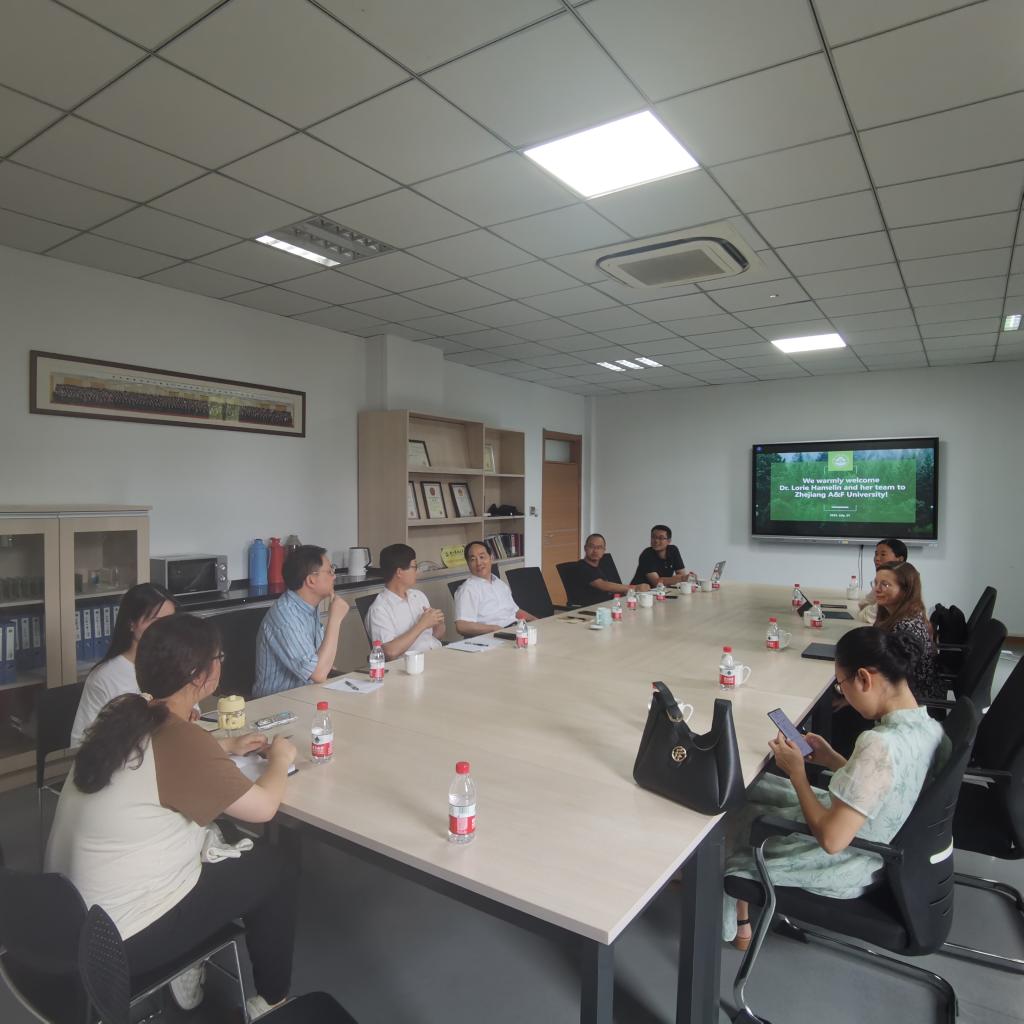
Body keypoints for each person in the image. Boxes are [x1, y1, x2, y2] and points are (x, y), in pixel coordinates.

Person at [46, 615, 297, 1020]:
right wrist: (281, 759)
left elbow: (170, 757)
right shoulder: (182, 740)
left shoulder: (123, 710)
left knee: (220, 832)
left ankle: (191, 960)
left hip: (68, 917)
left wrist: (223, 746)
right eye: (218, 657)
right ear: (201, 675)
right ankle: (271, 1001)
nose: (221, 663)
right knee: (275, 867)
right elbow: (264, 807)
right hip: (118, 944)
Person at [724, 627, 946, 951]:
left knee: (739, 814)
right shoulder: (928, 728)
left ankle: (732, 912)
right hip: (884, 846)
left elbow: (831, 840)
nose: (843, 695)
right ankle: (737, 910)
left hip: (847, 863)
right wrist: (832, 759)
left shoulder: (879, 744)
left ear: (864, 679)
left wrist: (798, 773)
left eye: (842, 685)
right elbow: (886, 787)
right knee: (761, 788)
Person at [71, 583, 177, 746]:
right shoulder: (105, 676)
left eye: (170, 621)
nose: (165, 629)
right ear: (131, 623)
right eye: (156, 621)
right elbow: (80, 743)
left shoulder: (175, 664)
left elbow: (192, 712)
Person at [253, 545, 349, 697]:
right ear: (311, 580)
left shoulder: (309, 607)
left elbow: (320, 665)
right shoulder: (285, 616)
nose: (334, 577)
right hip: (277, 702)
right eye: (330, 571)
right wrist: (335, 619)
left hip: (307, 694)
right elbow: (318, 674)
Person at [873, 561, 940, 700]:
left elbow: (895, 677)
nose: (877, 589)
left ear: (906, 591)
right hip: (900, 691)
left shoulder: (905, 627)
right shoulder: (905, 615)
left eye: (885, 585)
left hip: (911, 698)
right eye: (875, 583)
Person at [368, 543, 445, 660]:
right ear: (399, 572)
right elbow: (390, 652)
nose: (418, 572)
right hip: (410, 665)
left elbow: (437, 636)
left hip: (436, 655)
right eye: (414, 567)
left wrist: (438, 622)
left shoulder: (418, 596)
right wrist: (422, 624)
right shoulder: (379, 609)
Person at [453, 541, 535, 637]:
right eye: (473, 559)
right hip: (493, 636)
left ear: (491, 558)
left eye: (482, 557)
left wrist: (537, 621)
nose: (478, 563)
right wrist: (493, 629)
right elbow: (462, 626)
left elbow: (515, 611)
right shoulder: (468, 589)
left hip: (516, 629)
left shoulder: (499, 583)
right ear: (468, 564)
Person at [565, 534, 649, 607]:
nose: (595, 551)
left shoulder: (602, 565)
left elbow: (614, 587)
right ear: (585, 548)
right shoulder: (581, 567)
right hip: (588, 610)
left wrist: (629, 592)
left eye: (599, 547)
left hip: (607, 605)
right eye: (591, 546)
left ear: (604, 550)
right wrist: (635, 588)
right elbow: (603, 585)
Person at [856, 538, 908, 624]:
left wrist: (867, 609)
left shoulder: (898, 584)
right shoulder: (884, 579)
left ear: (900, 559)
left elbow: (866, 617)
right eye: (876, 554)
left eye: (883, 554)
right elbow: (863, 604)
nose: (877, 558)